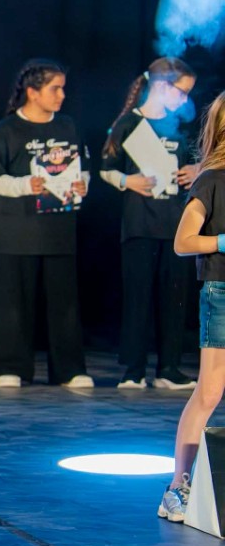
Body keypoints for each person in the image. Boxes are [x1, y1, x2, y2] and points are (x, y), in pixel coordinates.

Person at [0, 59, 93, 388]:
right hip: (18, 232)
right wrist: (25, 185)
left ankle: (69, 370)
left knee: (65, 303)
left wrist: (82, 184)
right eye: (55, 89)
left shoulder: (68, 126)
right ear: (32, 92)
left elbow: (83, 169)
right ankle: (11, 367)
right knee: (15, 303)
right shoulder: (7, 130)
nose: (62, 95)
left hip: (60, 232)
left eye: (63, 89)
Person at [100, 57, 198, 390]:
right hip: (140, 226)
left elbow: (199, 163)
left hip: (176, 227)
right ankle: (134, 369)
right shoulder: (129, 123)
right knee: (137, 296)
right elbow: (106, 169)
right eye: (181, 92)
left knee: (174, 298)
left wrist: (196, 170)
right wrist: (128, 181)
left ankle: (169, 368)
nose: (185, 100)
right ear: (161, 86)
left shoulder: (182, 128)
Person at [160, 93, 225, 522]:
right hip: (222, 291)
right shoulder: (212, 180)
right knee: (210, 391)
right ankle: (177, 486)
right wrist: (221, 242)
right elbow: (183, 242)